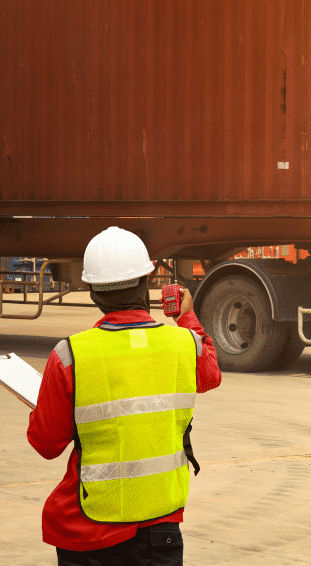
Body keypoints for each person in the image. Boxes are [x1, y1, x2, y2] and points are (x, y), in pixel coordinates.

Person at [27, 226, 222, 566]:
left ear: (92, 291)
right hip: (161, 524)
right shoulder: (185, 344)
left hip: (89, 529)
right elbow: (210, 373)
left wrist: (40, 408)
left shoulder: (70, 355)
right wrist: (185, 316)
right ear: (147, 281)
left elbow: (46, 443)